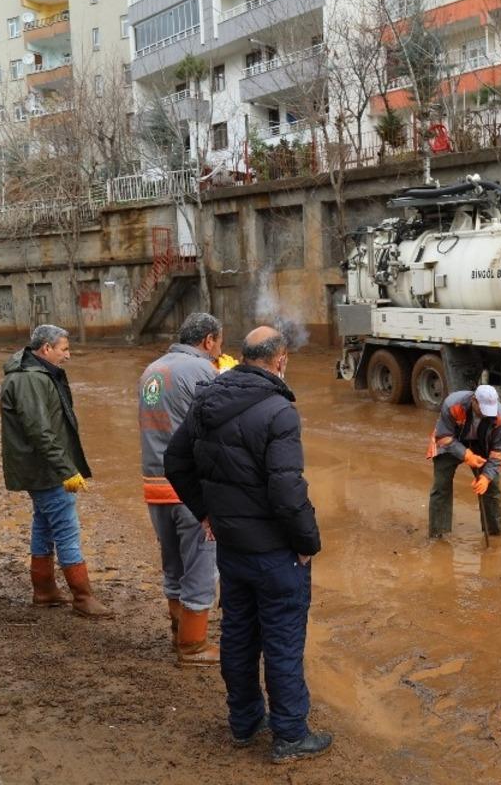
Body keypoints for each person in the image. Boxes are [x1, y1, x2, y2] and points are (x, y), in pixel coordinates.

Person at [164, 326, 331, 764]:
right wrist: (307, 543)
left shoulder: (207, 398)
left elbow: (174, 461)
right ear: (279, 360)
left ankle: (243, 723)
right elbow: (286, 489)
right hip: (276, 554)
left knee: (239, 635)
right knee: (282, 640)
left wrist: (206, 513)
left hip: (232, 549)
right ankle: (291, 734)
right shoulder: (279, 411)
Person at [138, 312, 235, 666]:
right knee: (201, 565)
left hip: (155, 485)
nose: (218, 352)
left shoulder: (153, 369)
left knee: (173, 562)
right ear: (209, 340)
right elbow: (219, 425)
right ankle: (192, 646)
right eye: (219, 344)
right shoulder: (200, 372)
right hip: (188, 490)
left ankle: (178, 630)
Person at [1, 324, 111, 619]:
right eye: (64, 349)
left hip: (40, 467)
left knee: (44, 525)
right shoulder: (31, 380)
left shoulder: (32, 373)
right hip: (45, 469)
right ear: (46, 349)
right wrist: (66, 469)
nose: (68, 355)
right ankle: (83, 597)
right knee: (66, 529)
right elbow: (40, 430)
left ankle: (45, 590)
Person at [425, 384, 501, 539]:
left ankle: (494, 533)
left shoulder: (500, 417)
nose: (486, 414)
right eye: (483, 409)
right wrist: (465, 454)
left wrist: (486, 477)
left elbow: (499, 451)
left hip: (482, 445)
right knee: (441, 485)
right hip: (451, 441)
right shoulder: (453, 404)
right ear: (474, 401)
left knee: (492, 488)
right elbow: (443, 436)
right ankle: (438, 532)